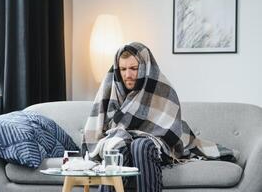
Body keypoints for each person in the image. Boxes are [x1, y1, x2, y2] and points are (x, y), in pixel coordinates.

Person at [82, 42, 238, 192]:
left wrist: (135, 137)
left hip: (156, 144)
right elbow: (100, 127)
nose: (127, 75)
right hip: (122, 139)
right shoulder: (111, 88)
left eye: (133, 68)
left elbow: (167, 130)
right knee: (116, 148)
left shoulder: (163, 89)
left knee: (141, 146)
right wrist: (121, 138)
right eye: (123, 69)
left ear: (145, 68)